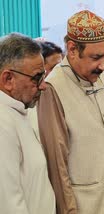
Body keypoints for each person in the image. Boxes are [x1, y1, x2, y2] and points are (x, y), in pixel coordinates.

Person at [37, 10, 104, 214]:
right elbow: (58, 168)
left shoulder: (99, 76)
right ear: (72, 49)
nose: (103, 66)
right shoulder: (53, 89)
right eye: (95, 57)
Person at [0, 33, 55, 213]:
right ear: (8, 79)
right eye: (37, 77)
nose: (43, 86)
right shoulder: (3, 122)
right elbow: (9, 203)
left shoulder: (17, 111)